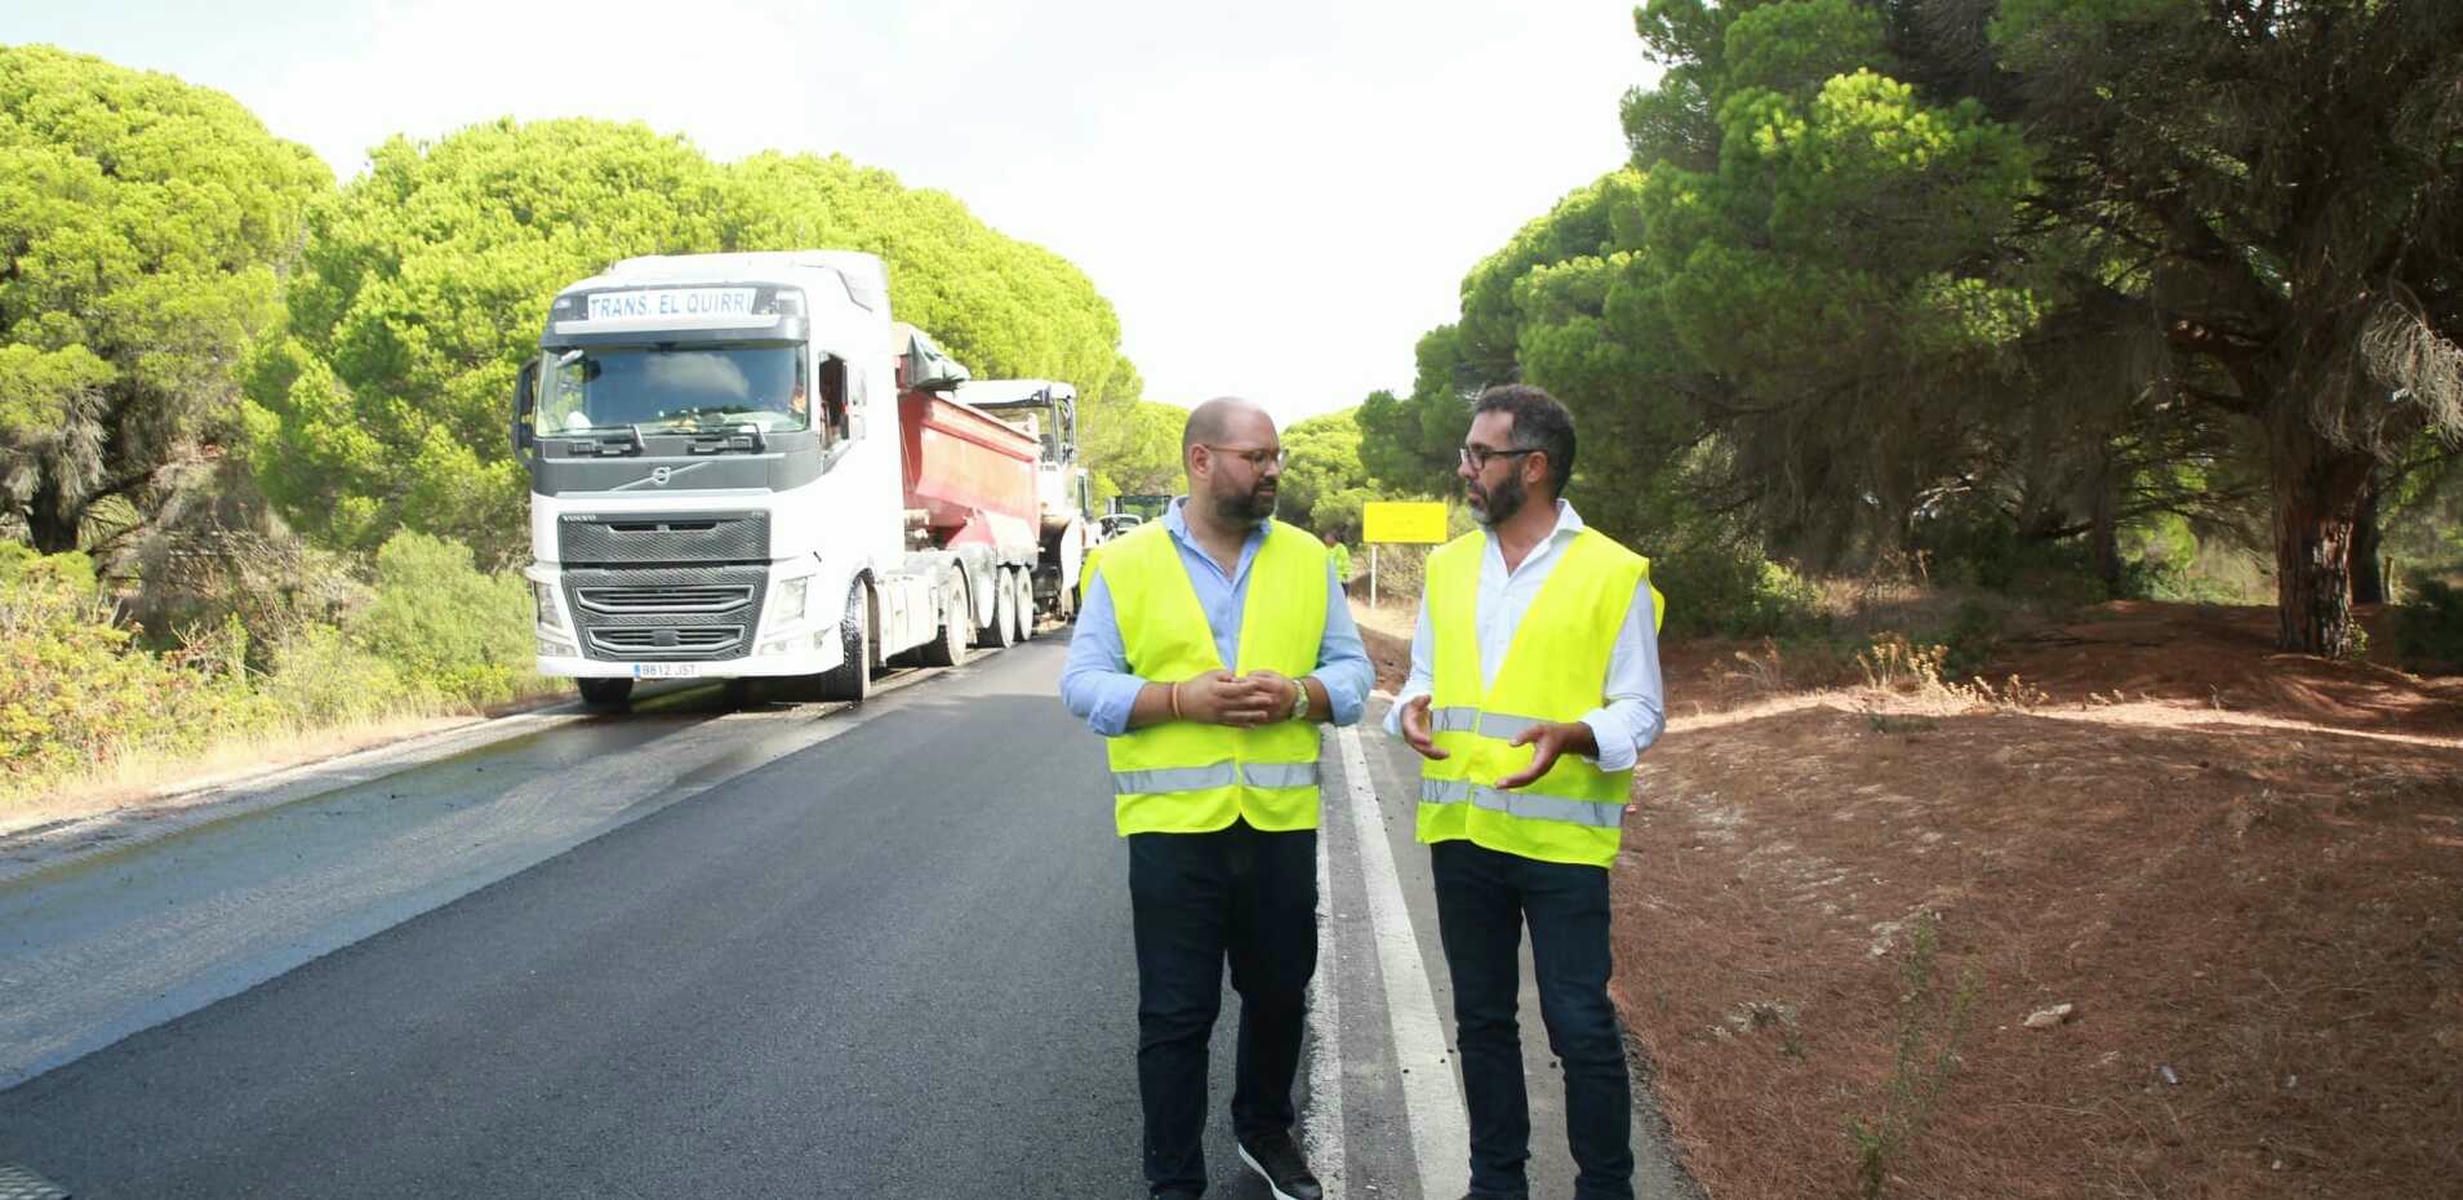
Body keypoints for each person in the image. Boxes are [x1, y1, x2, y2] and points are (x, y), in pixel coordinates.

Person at [1061, 397, 1373, 1200]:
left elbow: (1353, 676)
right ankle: (1172, 1180)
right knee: (1174, 1016)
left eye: (1277, 456)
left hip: (1276, 827)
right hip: (1173, 832)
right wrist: (1177, 701)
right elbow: (1082, 685)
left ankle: (1264, 1134)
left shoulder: (1307, 558)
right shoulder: (1124, 564)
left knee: (1277, 994)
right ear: (1201, 461)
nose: (1272, 470)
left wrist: (1300, 694)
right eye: (1254, 456)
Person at [1387, 384, 1665, 1200]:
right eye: (1466, 453)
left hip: (1559, 844)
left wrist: (1573, 736)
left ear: (1532, 467)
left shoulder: (1614, 573)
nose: (1463, 468)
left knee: (1579, 1025)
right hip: (1461, 831)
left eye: (1480, 454)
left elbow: (1641, 710)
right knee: (1480, 1023)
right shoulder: (1446, 566)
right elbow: (1426, 678)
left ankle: (1604, 1188)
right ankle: (1495, 1182)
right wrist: (1406, 711)